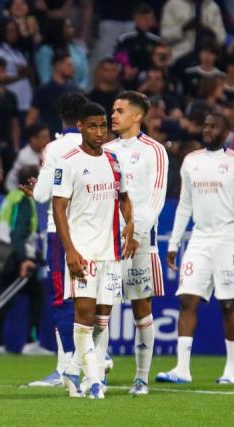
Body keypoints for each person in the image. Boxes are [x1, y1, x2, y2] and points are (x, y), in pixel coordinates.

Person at [52, 102, 136, 400]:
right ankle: (95, 380)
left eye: (103, 125)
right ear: (80, 127)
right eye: (93, 126)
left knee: (102, 319)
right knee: (84, 315)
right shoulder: (68, 161)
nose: (100, 132)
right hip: (83, 252)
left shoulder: (113, 161)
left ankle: (73, 370)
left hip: (111, 253)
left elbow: (124, 197)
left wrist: (130, 223)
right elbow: (58, 208)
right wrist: (70, 250)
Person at [157, 112, 234, 385]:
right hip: (199, 239)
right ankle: (182, 368)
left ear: (226, 132)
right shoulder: (191, 161)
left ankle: (231, 370)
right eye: (206, 125)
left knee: (229, 304)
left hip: (228, 238)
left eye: (214, 127)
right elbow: (185, 204)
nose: (208, 130)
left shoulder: (232, 162)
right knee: (186, 299)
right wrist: (174, 243)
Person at [103, 91, 168, 394]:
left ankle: (141, 377)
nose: (112, 116)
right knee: (101, 306)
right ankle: (96, 373)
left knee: (141, 307)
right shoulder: (105, 149)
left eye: (119, 111)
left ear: (137, 116)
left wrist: (137, 233)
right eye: (112, 111)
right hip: (106, 240)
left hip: (140, 240)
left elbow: (157, 196)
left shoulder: (155, 151)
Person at [23, 92, 88, 388]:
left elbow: (43, 194)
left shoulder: (56, 147)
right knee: (94, 297)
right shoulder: (99, 144)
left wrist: (35, 188)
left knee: (63, 299)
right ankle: (95, 361)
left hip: (62, 232)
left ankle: (65, 368)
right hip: (94, 230)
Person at [0, 165, 47, 355]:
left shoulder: (10, 197)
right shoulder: (23, 199)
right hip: (16, 256)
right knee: (37, 296)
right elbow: (19, 233)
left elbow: (3, 226)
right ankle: (31, 343)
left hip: (5, 254)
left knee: (3, 300)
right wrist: (24, 259)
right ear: (33, 181)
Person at [26, 52, 79, 136]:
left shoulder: (75, 90)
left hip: (71, 140)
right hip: (49, 141)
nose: (72, 69)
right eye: (69, 65)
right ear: (58, 66)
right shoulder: (43, 91)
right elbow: (30, 119)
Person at [160, 0, 225, 65]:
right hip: (179, 59)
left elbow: (222, 38)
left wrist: (209, 30)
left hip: (206, 63)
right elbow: (164, 37)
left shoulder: (212, 6)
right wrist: (183, 29)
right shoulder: (172, 4)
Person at [35, 17, 89, 91]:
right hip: (52, 93)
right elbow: (45, 77)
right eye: (68, 27)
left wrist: (79, 91)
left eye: (72, 26)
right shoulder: (45, 51)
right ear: (58, 29)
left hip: (76, 94)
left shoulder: (79, 50)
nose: (72, 29)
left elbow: (85, 77)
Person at [5, 123, 49, 192]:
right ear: (33, 139)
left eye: (48, 136)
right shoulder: (24, 156)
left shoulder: (47, 151)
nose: (48, 140)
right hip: (16, 191)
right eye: (44, 137)